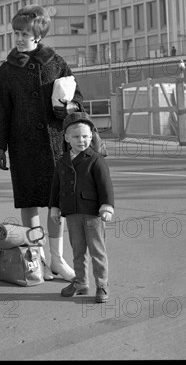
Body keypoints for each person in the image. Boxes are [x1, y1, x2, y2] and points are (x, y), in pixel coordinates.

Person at [0, 4, 83, 281]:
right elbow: (1, 110)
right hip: (22, 146)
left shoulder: (56, 62)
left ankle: (57, 259)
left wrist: (68, 108)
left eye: (25, 33)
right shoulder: (7, 70)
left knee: (57, 205)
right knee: (29, 202)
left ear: (39, 34)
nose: (19, 38)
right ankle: (38, 256)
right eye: (16, 33)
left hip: (55, 145)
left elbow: (78, 96)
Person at [49, 112, 114, 303]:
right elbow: (56, 186)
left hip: (93, 214)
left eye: (86, 136)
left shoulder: (96, 159)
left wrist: (107, 206)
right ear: (67, 138)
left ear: (92, 136)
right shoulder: (62, 161)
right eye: (76, 136)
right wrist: (54, 207)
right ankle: (81, 282)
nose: (81, 140)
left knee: (97, 251)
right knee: (77, 250)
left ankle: (102, 285)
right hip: (72, 213)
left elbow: (105, 185)